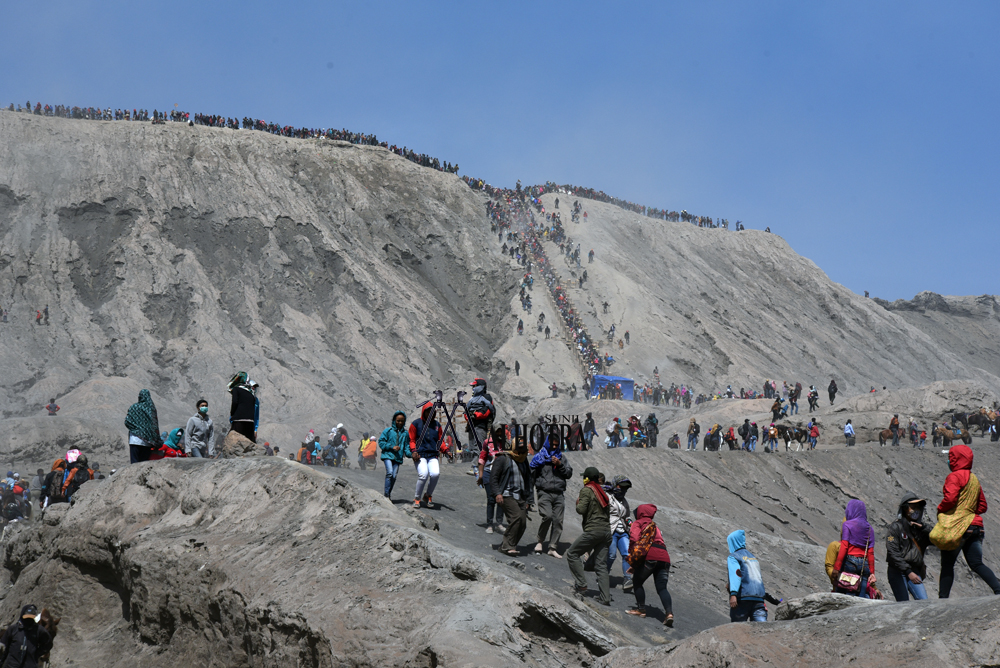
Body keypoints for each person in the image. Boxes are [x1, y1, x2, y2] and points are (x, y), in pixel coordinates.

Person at [933, 444, 1000, 597]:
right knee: (976, 563)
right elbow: (983, 505)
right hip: (976, 527)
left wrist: (941, 509)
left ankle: (942, 599)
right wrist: (970, 510)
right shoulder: (974, 479)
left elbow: (950, 499)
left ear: (955, 459)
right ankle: (998, 589)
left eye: (951, 458)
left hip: (958, 527)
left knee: (948, 564)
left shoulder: (954, 476)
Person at [566, 467, 613, 605]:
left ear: (587, 478)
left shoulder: (587, 490)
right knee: (601, 565)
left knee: (572, 553)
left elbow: (581, 509)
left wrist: (578, 502)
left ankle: (581, 584)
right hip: (606, 532)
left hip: (593, 530)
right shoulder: (602, 491)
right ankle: (605, 598)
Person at [626, 504, 673, 627]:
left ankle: (641, 609)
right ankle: (669, 614)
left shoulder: (639, 523)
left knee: (637, 581)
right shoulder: (655, 526)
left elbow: (634, 539)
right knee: (662, 588)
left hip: (650, 556)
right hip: (665, 557)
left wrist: (633, 560)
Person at [531, 434, 573, 557]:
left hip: (559, 493)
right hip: (544, 492)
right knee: (547, 516)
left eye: (556, 445)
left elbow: (569, 473)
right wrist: (529, 496)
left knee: (558, 521)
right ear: (547, 443)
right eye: (552, 444)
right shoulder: (539, 458)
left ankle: (552, 547)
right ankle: (540, 541)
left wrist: (560, 465)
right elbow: (532, 476)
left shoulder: (562, 458)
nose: (554, 447)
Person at [490, 438, 533, 556]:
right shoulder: (503, 459)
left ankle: (510, 544)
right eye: (518, 447)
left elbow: (529, 479)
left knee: (522, 523)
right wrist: (497, 493)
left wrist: (529, 499)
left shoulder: (524, 460)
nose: (521, 450)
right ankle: (507, 546)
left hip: (521, 496)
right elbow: (493, 477)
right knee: (516, 518)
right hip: (507, 494)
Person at [885, 493, 931, 601]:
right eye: (913, 507)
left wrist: (924, 528)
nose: (916, 511)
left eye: (918, 508)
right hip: (897, 570)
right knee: (903, 603)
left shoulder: (920, 529)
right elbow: (893, 552)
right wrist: (908, 572)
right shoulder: (895, 527)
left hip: (915, 570)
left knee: (924, 601)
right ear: (905, 509)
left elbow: (938, 538)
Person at [832, 500, 877, 598]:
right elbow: (870, 552)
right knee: (860, 596)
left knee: (843, 594)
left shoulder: (847, 524)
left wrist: (836, 567)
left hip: (849, 562)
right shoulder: (870, 529)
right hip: (864, 565)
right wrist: (872, 573)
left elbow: (844, 546)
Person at [727, 529, 768, 622]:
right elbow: (757, 579)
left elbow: (736, 574)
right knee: (761, 629)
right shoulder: (753, 558)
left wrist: (733, 594)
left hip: (743, 598)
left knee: (739, 629)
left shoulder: (734, 556)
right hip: (759, 599)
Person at [409, 401, 442, 509]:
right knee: (423, 475)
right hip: (420, 455)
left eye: (432, 412)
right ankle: (417, 498)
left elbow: (440, 441)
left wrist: (446, 450)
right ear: (424, 412)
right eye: (428, 412)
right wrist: (414, 451)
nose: (430, 414)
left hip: (432, 455)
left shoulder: (437, 425)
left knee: (435, 474)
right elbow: (412, 439)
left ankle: (427, 495)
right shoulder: (416, 424)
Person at [606, 475, 633, 591]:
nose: (623, 490)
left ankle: (628, 579)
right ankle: (604, 575)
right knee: (611, 555)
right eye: (621, 486)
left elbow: (626, 515)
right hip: (611, 529)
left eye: (625, 488)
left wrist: (629, 522)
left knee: (627, 554)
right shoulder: (607, 497)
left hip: (623, 531)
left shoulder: (624, 501)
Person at [477, 426, 505, 533]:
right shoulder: (487, 442)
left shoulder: (505, 444)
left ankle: (499, 523)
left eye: (500, 433)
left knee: (501, 499)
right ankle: (489, 524)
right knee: (491, 498)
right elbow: (482, 458)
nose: (498, 435)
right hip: (489, 473)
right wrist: (481, 475)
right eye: (497, 432)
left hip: (501, 475)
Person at [125, 389, 162, 464]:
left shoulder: (134, 407)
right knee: (144, 464)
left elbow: (127, 422)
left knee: (134, 464)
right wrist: (156, 440)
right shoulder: (151, 408)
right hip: (147, 442)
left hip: (134, 440)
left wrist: (136, 429)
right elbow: (154, 425)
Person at [378, 411, 409, 499]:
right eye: (398, 420)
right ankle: (387, 495)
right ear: (394, 420)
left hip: (398, 458)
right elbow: (381, 442)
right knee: (390, 473)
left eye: (402, 421)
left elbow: (407, 446)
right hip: (387, 455)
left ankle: (388, 494)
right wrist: (391, 447)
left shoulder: (405, 434)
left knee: (394, 476)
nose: (400, 423)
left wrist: (411, 454)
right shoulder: (388, 431)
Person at [466, 378, 495, 452]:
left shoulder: (487, 397)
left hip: (480, 427)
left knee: (479, 449)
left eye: (475, 386)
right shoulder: (473, 398)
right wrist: (468, 417)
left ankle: (478, 463)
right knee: (472, 449)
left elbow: (487, 411)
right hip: (471, 427)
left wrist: (475, 415)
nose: (473, 388)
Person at [228, 372, 257, 442]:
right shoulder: (251, 392)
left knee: (234, 440)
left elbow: (235, 402)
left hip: (239, 419)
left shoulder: (236, 389)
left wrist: (232, 414)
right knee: (249, 441)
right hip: (250, 420)